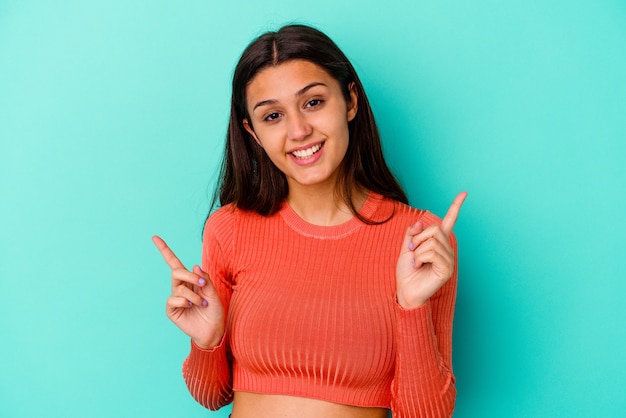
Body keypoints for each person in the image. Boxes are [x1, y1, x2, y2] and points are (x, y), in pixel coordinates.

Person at [153, 24, 466, 418]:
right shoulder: (229, 228)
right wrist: (208, 341)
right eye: (272, 116)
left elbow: (427, 414)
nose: (298, 131)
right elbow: (211, 396)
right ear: (253, 133)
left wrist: (412, 307)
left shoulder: (420, 241)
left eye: (313, 103)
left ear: (350, 101)